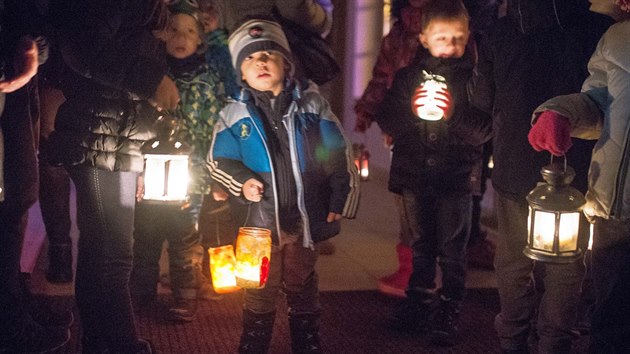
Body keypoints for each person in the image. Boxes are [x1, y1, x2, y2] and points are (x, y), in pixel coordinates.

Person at [208, 19, 359, 353]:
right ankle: (254, 338)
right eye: (249, 58)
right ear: (241, 74)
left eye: (267, 54)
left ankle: (306, 337)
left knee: (300, 278)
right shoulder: (233, 116)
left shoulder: (313, 106)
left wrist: (341, 195)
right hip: (257, 222)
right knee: (258, 282)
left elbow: (337, 153)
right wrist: (242, 182)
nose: (260, 61)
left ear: (286, 64)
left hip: (302, 220)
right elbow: (218, 161)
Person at [468, 0, 612, 352]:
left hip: (515, 163)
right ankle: (554, 342)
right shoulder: (598, 30)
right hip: (578, 168)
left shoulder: (500, 34)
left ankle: (513, 340)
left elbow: (481, 99)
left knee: (513, 259)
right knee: (567, 263)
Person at [43, 0, 179, 352]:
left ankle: (103, 342)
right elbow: (84, 48)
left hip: (115, 139)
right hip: (97, 134)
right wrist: (152, 79)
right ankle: (120, 343)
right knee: (113, 254)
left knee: (104, 251)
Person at [375, 0, 492, 345]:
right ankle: (418, 303)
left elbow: (484, 130)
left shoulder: (474, 78)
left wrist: (451, 113)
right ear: (424, 38)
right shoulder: (408, 77)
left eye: (458, 37)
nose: (451, 45)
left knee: (453, 248)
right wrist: (411, 114)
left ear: (469, 35)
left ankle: (449, 308)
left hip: (456, 179)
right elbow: (388, 116)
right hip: (415, 176)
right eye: (442, 37)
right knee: (421, 244)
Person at [527, 1, 630, 351]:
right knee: (609, 323)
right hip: (616, 211)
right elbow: (600, 102)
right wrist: (563, 112)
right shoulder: (619, 38)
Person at [130, 1, 227, 322]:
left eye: (189, 30)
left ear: (200, 38)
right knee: (146, 235)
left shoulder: (208, 77)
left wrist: (216, 175)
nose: (180, 36)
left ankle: (185, 293)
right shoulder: (154, 75)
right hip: (153, 173)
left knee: (185, 238)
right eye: (173, 29)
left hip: (192, 175)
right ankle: (140, 292)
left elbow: (216, 127)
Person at [0, 0, 72, 352]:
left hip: (14, 74)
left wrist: (32, 45)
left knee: (16, 199)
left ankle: (12, 310)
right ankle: (10, 327)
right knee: (8, 205)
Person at [354, 0, 427, 298]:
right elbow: (383, 77)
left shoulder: (448, 24)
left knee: (429, 205)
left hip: (441, 133)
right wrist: (368, 112)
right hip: (403, 130)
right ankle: (408, 266)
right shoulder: (397, 36)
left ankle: (426, 271)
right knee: (405, 200)